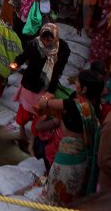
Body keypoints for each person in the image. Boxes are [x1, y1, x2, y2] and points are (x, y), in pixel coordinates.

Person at [37, 70, 104, 205]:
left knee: (58, 192)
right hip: (83, 158)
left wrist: (46, 98)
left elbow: (44, 104)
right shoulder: (96, 107)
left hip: (67, 158)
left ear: (84, 89)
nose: (75, 83)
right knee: (72, 192)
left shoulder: (72, 105)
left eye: (78, 82)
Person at [10, 23, 71, 148]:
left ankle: (33, 140)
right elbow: (23, 56)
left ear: (55, 37)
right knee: (24, 111)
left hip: (46, 86)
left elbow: (57, 71)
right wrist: (16, 63)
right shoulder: (34, 44)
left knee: (40, 114)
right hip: (30, 82)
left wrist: (51, 91)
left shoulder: (63, 49)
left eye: (50, 39)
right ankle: (22, 132)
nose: (46, 42)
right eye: (44, 39)